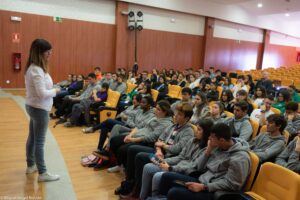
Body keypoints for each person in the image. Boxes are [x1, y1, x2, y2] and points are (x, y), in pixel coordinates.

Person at [156, 123, 251, 200]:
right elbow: (200, 167)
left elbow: (232, 184)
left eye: (212, 137)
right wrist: (208, 150)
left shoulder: (240, 158)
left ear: (222, 140)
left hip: (213, 191)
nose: (209, 139)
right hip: (202, 180)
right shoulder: (218, 146)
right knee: (166, 177)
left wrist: (204, 187)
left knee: (174, 192)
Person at [139, 119, 213, 200]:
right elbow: (181, 157)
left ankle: (153, 198)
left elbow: (194, 166)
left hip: (185, 172)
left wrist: (171, 168)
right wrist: (164, 161)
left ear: (206, 132)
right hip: (177, 166)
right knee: (148, 167)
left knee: (158, 176)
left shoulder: (208, 149)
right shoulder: (193, 140)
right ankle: (142, 197)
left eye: (199, 129)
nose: (196, 131)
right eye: (197, 129)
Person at [24, 39, 60, 182]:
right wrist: (55, 90)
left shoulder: (35, 68)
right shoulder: (36, 70)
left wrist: (52, 89)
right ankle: (43, 173)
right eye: (48, 51)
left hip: (35, 107)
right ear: (39, 53)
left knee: (33, 138)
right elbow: (42, 93)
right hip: (39, 109)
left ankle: (31, 165)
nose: (50, 53)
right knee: (39, 141)